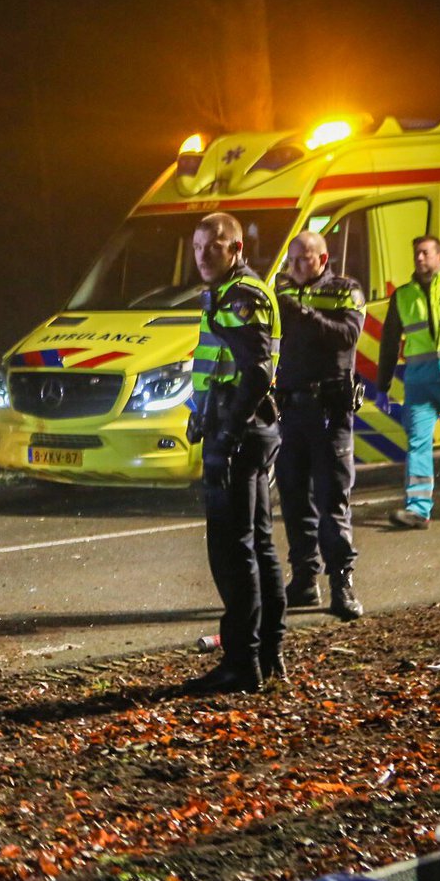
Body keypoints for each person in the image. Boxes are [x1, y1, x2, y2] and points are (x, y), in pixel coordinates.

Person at [184, 213, 285, 695]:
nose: (203, 254)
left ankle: (243, 662)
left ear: (237, 248)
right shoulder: (227, 293)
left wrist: (225, 436)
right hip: (244, 426)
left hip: (240, 431)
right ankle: (267, 654)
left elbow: (257, 372)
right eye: (198, 245)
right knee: (257, 545)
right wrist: (196, 409)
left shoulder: (242, 295)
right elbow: (218, 364)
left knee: (231, 548)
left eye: (214, 245)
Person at [272, 231, 365, 620]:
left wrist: (306, 315)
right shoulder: (282, 292)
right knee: (294, 498)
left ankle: (341, 583)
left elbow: (348, 336)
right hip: (292, 410)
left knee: (332, 501)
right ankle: (305, 579)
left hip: (329, 411)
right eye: (291, 259)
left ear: (322, 259)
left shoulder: (346, 291)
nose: (295, 267)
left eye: (303, 259)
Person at [377, 235, 440, 529]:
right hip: (420, 382)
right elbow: (390, 341)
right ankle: (418, 510)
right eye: (416, 254)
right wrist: (382, 386)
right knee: (418, 444)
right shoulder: (402, 295)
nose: (419, 258)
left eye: (425, 253)